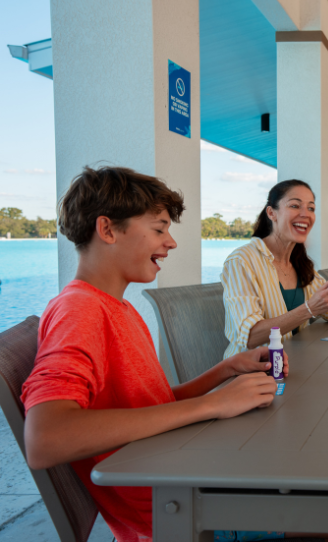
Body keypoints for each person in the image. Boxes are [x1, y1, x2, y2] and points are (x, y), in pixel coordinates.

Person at [21, 166, 283, 542]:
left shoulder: (118, 308)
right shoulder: (78, 311)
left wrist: (225, 371)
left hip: (182, 479)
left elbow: (149, 407)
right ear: (108, 229)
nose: (171, 242)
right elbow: (46, 438)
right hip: (176, 513)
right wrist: (212, 406)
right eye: (159, 229)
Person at [222, 180, 328, 359]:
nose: (305, 214)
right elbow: (251, 336)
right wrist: (309, 309)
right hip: (252, 374)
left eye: (311, 208)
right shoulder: (241, 261)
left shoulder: (300, 263)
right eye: (295, 205)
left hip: (295, 365)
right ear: (271, 213)